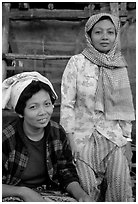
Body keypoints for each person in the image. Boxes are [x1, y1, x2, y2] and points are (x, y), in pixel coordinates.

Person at [60, 13, 135, 202]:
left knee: (119, 184)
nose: (104, 37)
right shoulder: (76, 63)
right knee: (85, 187)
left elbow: (125, 108)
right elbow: (67, 103)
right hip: (82, 137)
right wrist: (70, 139)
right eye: (98, 32)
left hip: (113, 137)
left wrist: (127, 140)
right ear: (89, 35)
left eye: (110, 32)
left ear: (116, 36)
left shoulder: (119, 66)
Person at [2, 71, 93, 202]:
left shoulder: (56, 132)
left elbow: (66, 172)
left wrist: (82, 196)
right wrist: (23, 192)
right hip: (15, 195)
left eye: (47, 104)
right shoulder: (6, 138)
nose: (43, 112)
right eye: (33, 107)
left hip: (50, 192)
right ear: (21, 112)